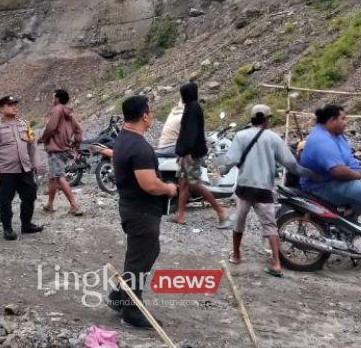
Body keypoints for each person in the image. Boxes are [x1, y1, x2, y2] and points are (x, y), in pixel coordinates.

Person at [107, 95, 178, 329]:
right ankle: (132, 311)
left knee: (141, 255)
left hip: (132, 208)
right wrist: (168, 188)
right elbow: (149, 184)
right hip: (141, 212)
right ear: (144, 116)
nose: (152, 115)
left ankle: (120, 297)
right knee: (140, 260)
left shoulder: (123, 138)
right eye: (151, 111)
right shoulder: (139, 146)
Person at [224, 104, 314, 275]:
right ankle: (276, 263)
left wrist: (223, 169)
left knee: (239, 221)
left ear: (252, 118)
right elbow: (290, 163)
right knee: (270, 226)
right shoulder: (273, 138)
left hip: (244, 187)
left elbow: (230, 160)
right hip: (264, 189)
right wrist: (309, 174)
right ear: (266, 119)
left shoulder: (241, 135)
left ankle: (236, 255)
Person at [299, 105, 361, 233]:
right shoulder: (321, 140)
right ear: (332, 120)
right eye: (343, 119)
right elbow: (337, 170)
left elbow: (349, 159)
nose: (346, 123)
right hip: (320, 185)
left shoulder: (337, 135)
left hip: (335, 180)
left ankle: (350, 226)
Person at [0, 95, 43, 241]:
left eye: (15, 104)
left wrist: (35, 163)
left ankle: (26, 224)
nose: (14, 107)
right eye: (10, 105)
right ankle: (7, 228)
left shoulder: (24, 124)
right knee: (5, 200)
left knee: (29, 197)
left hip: (25, 169)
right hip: (6, 171)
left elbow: (31, 145)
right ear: (2, 108)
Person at [173, 82, 228, 227]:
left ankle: (220, 211)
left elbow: (191, 133)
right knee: (184, 184)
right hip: (187, 153)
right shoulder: (191, 107)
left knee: (194, 184)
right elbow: (186, 133)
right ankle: (180, 215)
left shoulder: (193, 108)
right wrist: (181, 152)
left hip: (191, 155)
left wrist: (186, 152)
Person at [40, 89, 83, 216]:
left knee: (59, 177)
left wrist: (42, 138)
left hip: (56, 149)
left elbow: (51, 127)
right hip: (64, 149)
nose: (52, 100)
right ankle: (49, 204)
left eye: (53, 98)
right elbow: (79, 130)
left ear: (57, 99)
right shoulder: (69, 114)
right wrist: (76, 144)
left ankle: (74, 205)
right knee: (53, 177)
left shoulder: (57, 109)